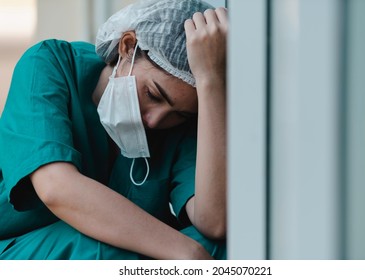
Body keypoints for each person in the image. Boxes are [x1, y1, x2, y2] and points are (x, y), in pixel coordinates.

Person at [0, 0, 227, 259]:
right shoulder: (50, 63)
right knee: (103, 248)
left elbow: (214, 222)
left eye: (179, 114)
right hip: (15, 246)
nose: (155, 121)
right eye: (153, 94)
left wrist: (211, 81)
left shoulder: (180, 124)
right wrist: (185, 251)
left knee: (223, 247)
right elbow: (56, 188)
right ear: (127, 46)